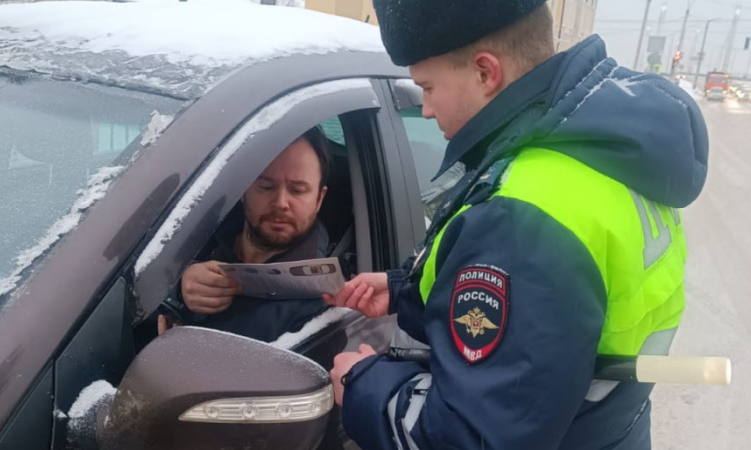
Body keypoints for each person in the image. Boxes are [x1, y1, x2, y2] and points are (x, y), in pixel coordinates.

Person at [323, 2, 708, 450]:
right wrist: (408, 290)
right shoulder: (612, 155)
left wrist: (363, 385)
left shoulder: (520, 217)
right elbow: (560, 314)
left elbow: (473, 439)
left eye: (427, 87)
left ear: (486, 72)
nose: (424, 109)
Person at [158, 126, 333, 343]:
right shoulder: (194, 232)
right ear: (242, 189)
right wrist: (177, 289)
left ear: (319, 200)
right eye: (266, 186)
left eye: (297, 190)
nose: (280, 203)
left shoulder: (320, 303)